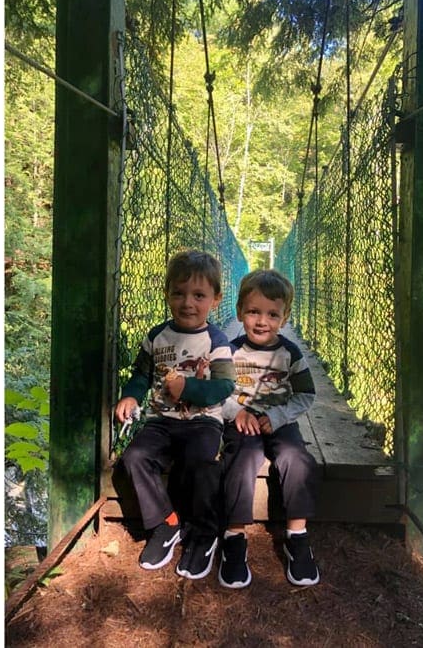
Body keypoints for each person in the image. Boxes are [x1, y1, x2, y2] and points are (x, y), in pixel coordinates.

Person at [115, 250, 235, 580]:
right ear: (167, 293)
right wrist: (129, 395)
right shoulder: (157, 336)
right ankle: (166, 523)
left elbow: (225, 386)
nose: (187, 303)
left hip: (203, 421)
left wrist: (191, 389)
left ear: (215, 299)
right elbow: (141, 374)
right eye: (178, 293)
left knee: (201, 461)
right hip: (161, 420)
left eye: (199, 295)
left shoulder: (216, 340)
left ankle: (203, 533)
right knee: (135, 457)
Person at [217, 269, 319, 589]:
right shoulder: (229, 352)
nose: (262, 321)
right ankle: (234, 537)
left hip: (280, 420)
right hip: (242, 422)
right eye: (253, 312)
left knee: (295, 458)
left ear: (284, 318)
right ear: (239, 313)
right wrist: (237, 412)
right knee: (242, 458)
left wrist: (278, 416)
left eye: (272, 314)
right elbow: (215, 392)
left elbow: (307, 394)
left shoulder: (290, 353)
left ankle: (297, 536)